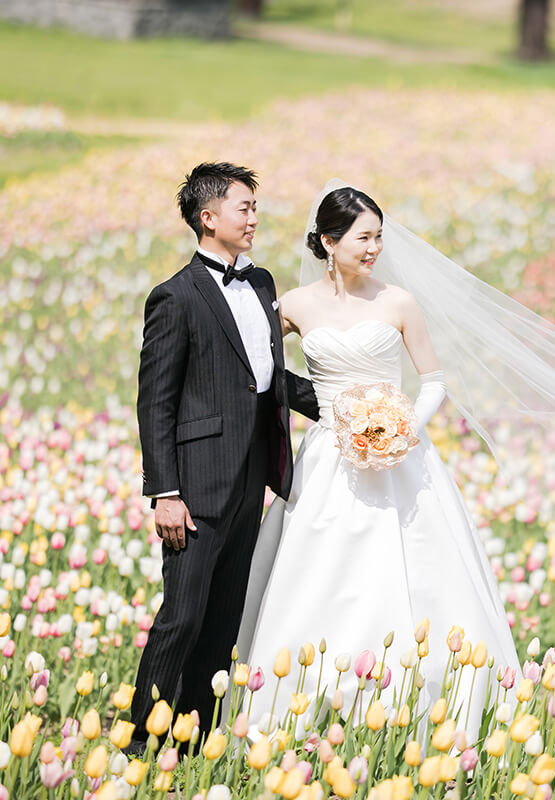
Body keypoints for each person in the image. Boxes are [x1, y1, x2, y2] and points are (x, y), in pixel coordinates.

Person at [236, 187, 520, 738]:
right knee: (320, 569)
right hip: (328, 457)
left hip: (400, 456)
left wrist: (402, 426)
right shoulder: (293, 305)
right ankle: (305, 704)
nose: (375, 249)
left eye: (379, 237)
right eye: (364, 238)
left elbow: (434, 380)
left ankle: (426, 706)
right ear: (328, 241)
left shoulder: (398, 302)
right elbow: (253, 365)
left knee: (419, 567)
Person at [131, 162, 320, 754]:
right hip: (195, 489)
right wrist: (165, 491)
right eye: (244, 207)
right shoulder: (174, 297)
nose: (254, 217)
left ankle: (193, 745)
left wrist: (338, 403)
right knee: (181, 619)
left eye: (255, 207)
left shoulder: (262, 284)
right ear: (208, 218)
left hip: (250, 487)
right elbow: (154, 404)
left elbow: (264, 378)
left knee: (222, 627)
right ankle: (140, 743)